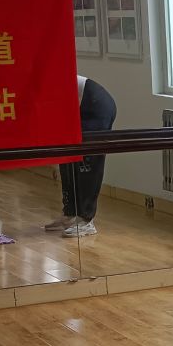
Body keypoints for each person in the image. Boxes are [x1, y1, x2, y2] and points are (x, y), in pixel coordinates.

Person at [45, 75, 117, 237]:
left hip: (97, 105)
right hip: (80, 106)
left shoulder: (44, 81)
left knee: (88, 162)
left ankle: (86, 220)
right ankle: (70, 213)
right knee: (66, 157)